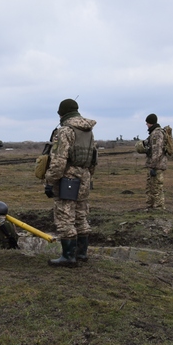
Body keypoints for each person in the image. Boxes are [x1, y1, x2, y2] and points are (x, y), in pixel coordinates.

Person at [43, 98, 97, 267]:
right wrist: (88, 177)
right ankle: (81, 253)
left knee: (65, 216)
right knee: (81, 216)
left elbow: (59, 161)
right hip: (85, 177)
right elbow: (94, 158)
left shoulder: (65, 131)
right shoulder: (88, 131)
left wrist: (50, 181)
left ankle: (68, 257)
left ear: (62, 112)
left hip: (68, 179)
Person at [141, 113, 167, 210]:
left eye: (147, 122)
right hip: (155, 165)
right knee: (151, 187)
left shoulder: (156, 133)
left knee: (156, 188)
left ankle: (159, 208)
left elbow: (157, 151)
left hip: (156, 166)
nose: (146, 124)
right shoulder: (154, 132)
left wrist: (154, 167)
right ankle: (151, 207)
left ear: (150, 122)